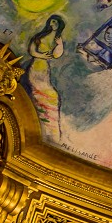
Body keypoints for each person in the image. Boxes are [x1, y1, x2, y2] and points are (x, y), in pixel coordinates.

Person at [26, 15, 65, 143]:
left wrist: (60, 45)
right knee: (41, 93)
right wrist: (41, 55)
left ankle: (49, 128)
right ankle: (42, 123)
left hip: (44, 69)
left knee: (50, 95)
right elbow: (32, 50)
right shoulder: (41, 35)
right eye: (52, 22)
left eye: (55, 22)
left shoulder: (57, 39)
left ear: (59, 25)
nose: (53, 24)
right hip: (35, 67)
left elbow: (56, 55)